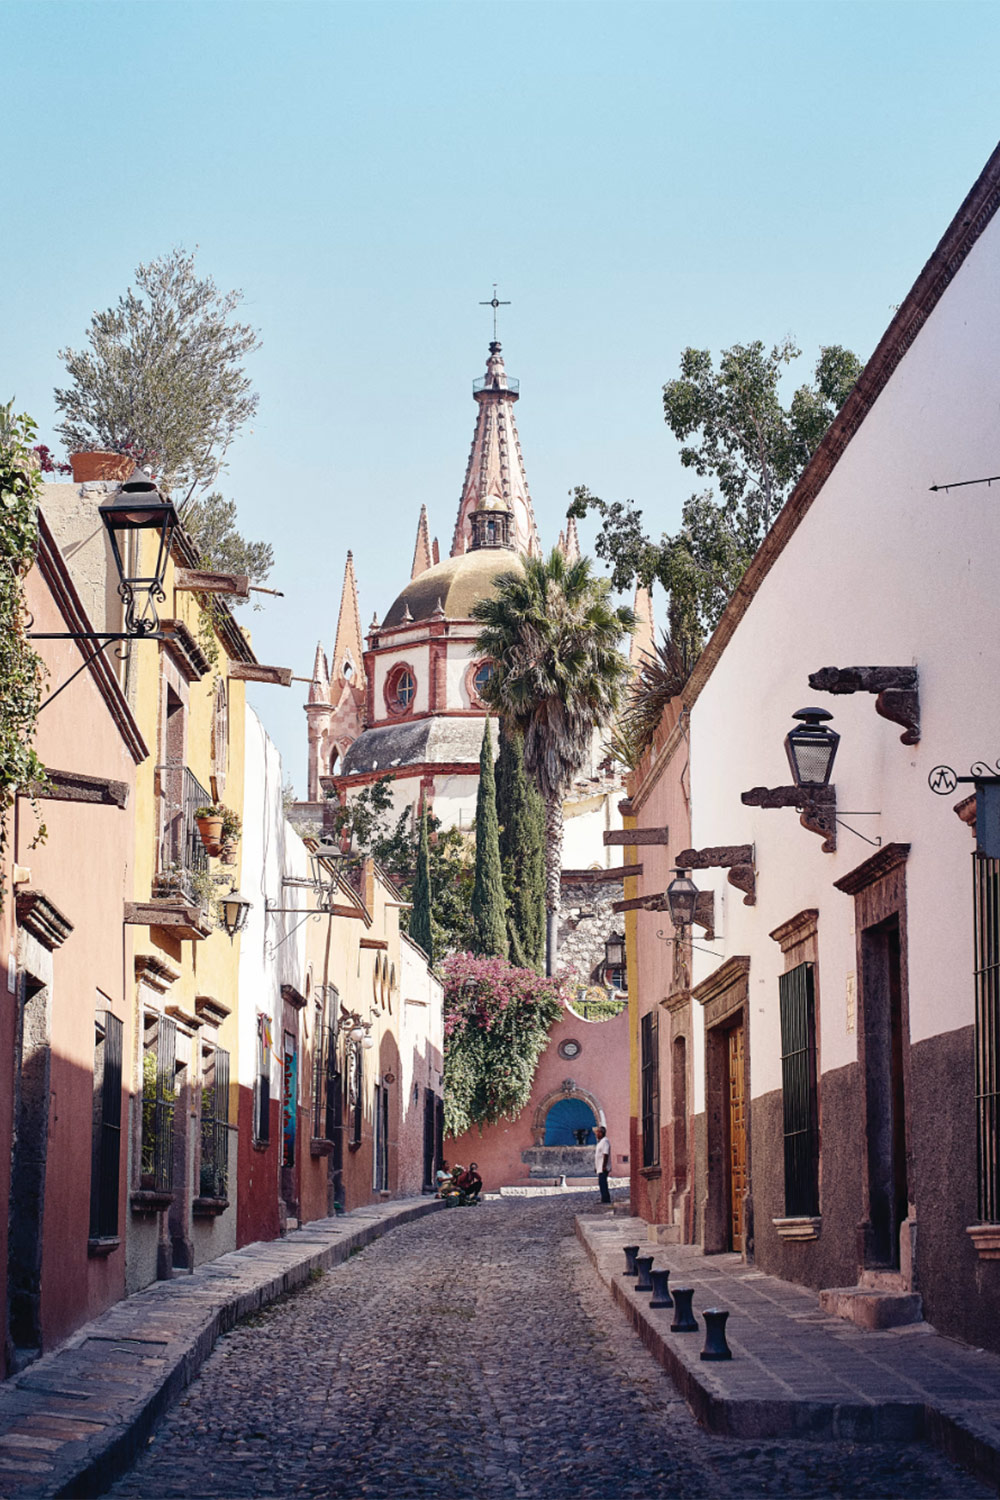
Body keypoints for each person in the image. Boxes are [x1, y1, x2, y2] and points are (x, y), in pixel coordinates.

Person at [594, 1125, 612, 1205]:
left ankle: (606, 1199)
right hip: (600, 1167)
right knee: (601, 1183)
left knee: (603, 1183)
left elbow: (605, 1154)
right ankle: (604, 1198)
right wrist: (596, 1166)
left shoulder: (605, 1141)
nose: (596, 1134)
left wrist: (604, 1166)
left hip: (603, 1168)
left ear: (601, 1133)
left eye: (598, 1132)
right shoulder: (600, 1142)